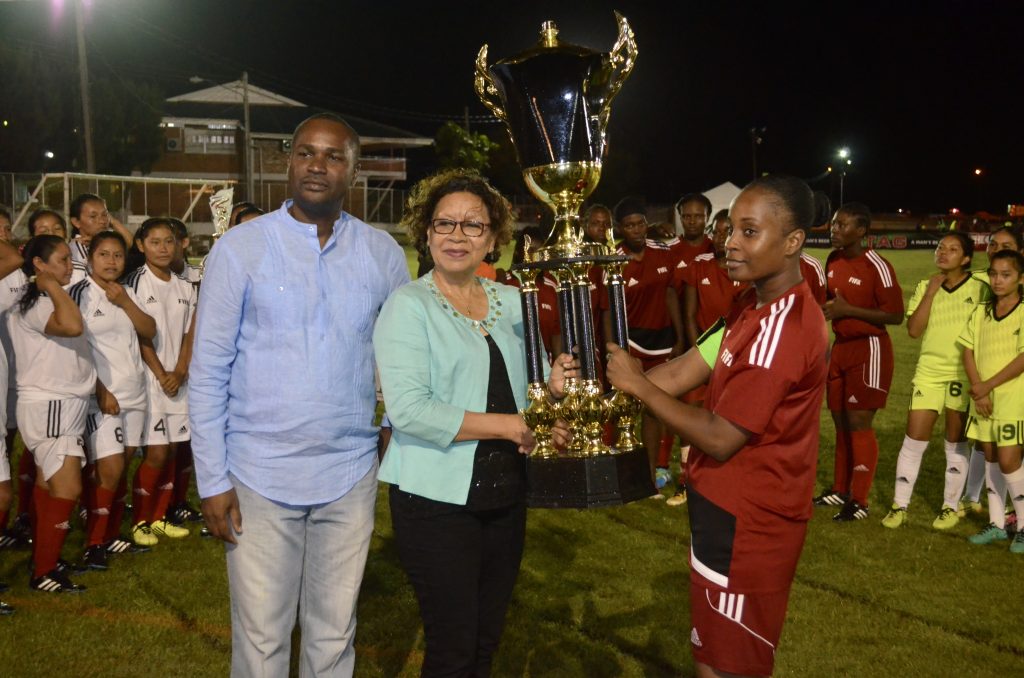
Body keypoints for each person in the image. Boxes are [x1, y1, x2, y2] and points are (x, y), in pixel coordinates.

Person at [190, 112, 410, 677]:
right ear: (288, 161)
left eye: (334, 156)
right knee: (262, 639)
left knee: (333, 635)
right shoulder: (242, 248)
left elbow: (403, 353)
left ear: (354, 171)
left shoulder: (382, 253)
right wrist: (212, 479)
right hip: (257, 473)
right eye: (307, 152)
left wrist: (395, 422)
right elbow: (209, 370)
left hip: (349, 472)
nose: (318, 165)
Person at [606, 175, 827, 677]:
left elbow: (722, 437)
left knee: (731, 668)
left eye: (750, 232)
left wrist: (638, 387)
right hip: (721, 509)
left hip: (749, 523)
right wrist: (604, 394)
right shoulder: (749, 304)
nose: (730, 242)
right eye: (731, 230)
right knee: (710, 658)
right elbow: (684, 369)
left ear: (793, 242)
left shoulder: (784, 328)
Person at [374, 168, 573, 677]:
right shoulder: (408, 305)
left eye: (472, 226)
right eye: (445, 224)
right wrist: (510, 426)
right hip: (436, 500)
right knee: (452, 648)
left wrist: (549, 398)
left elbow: (523, 393)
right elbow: (411, 411)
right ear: (426, 232)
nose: (457, 237)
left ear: (494, 238)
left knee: (485, 643)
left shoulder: (512, 302)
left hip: (505, 496)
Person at [881, 232, 988, 530]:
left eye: (953, 249)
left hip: (962, 374)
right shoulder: (925, 286)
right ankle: (899, 506)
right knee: (913, 440)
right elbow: (914, 330)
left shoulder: (981, 287)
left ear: (966, 258)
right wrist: (930, 292)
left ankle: (949, 507)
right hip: (928, 371)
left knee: (954, 442)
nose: (943, 252)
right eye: (941, 247)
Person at [8, 235, 96, 592]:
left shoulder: (45, 299)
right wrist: (48, 285)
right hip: (51, 405)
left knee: (49, 484)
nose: (68, 265)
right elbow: (73, 326)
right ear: (39, 265)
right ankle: (43, 571)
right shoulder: (35, 302)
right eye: (60, 260)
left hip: (60, 404)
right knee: (68, 487)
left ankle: (44, 559)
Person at [69, 232, 157, 568]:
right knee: (110, 467)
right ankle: (93, 542)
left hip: (135, 394)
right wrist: (99, 389)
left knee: (121, 468)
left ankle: (110, 535)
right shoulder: (78, 295)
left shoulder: (128, 292)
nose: (111, 262)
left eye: (117, 255)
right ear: (90, 258)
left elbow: (148, 330)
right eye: (103, 254)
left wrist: (125, 303)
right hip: (102, 399)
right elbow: (75, 349)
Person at [814, 202, 903, 521]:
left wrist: (848, 310)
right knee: (839, 421)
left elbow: (895, 315)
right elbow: (829, 301)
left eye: (842, 226)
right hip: (841, 348)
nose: (834, 230)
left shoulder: (877, 265)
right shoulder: (833, 259)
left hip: (870, 349)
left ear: (862, 231)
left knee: (858, 423)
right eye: (834, 224)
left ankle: (861, 501)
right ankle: (840, 490)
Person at [601, 197, 684, 493]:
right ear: (620, 228)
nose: (636, 230)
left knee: (654, 410)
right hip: (631, 342)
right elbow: (607, 310)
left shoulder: (662, 252)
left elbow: (671, 293)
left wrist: (679, 337)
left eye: (640, 223)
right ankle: (617, 473)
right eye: (629, 225)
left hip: (662, 342)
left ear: (646, 224)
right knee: (622, 409)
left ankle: (650, 476)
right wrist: (615, 348)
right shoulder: (613, 258)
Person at [667, 210, 749, 507]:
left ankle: (729, 483)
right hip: (706, 349)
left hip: (739, 357)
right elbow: (689, 315)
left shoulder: (750, 271)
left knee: (733, 419)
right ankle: (685, 482)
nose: (723, 237)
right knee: (692, 414)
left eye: (730, 231)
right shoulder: (699, 265)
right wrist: (698, 354)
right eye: (719, 231)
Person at [122, 218, 196, 547]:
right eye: (155, 242)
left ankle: (160, 517)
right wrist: (161, 373)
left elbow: (190, 334)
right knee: (155, 453)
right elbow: (139, 334)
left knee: (172, 451)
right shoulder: (135, 282)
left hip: (179, 381)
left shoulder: (184, 286)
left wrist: (180, 370)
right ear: (140, 245)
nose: (163, 248)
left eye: (168, 241)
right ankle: (140, 520)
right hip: (151, 381)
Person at [959, 249, 1024, 553]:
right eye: (994, 274)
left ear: (1020, 278)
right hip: (982, 399)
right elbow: (967, 350)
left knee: (1010, 461)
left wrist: (987, 386)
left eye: (1006, 274)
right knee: (991, 459)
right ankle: (997, 524)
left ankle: (1022, 526)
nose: (998, 280)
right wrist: (978, 388)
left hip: (1012, 400)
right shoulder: (982, 311)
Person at [68, 193, 134, 285]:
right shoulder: (76, 250)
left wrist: (113, 221)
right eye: (93, 216)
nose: (102, 221)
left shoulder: (104, 239)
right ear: (76, 222)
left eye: (104, 215)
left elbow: (132, 244)